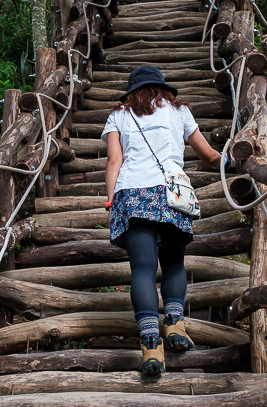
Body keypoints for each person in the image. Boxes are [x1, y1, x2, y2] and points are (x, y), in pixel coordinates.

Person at [102, 65, 225, 376]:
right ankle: (174, 324)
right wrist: (232, 160)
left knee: (143, 268)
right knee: (173, 264)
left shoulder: (119, 115)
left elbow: (115, 160)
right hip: (172, 193)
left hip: (132, 193)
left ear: (131, 92)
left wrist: (111, 199)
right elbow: (210, 156)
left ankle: (150, 344)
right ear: (163, 87)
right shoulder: (179, 110)